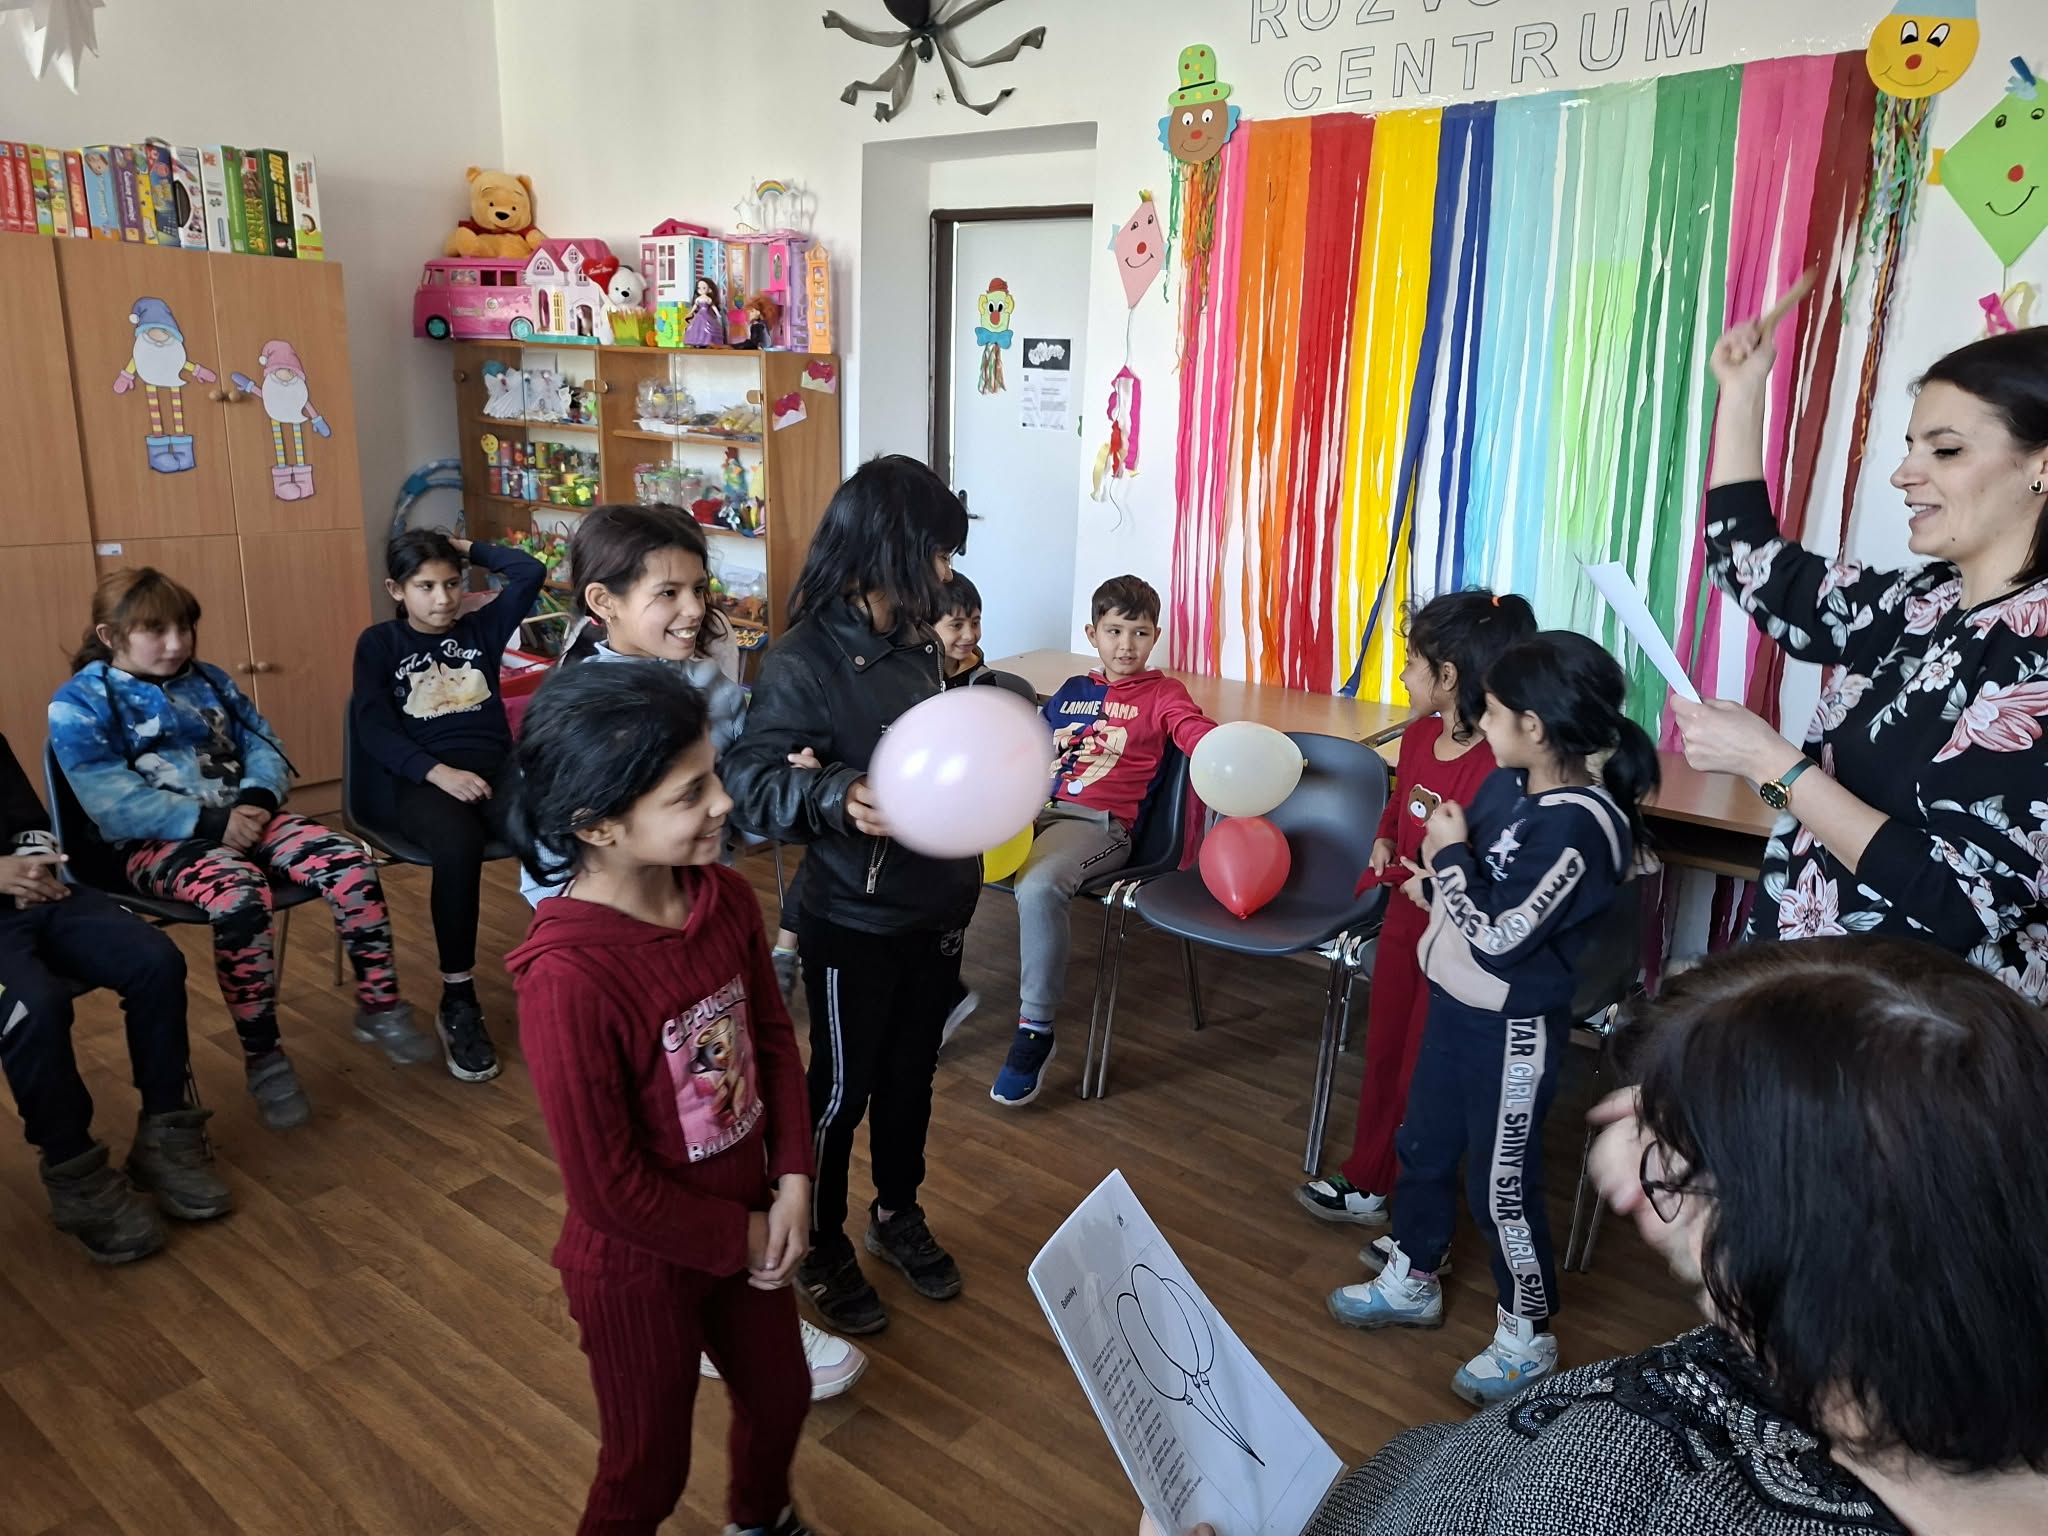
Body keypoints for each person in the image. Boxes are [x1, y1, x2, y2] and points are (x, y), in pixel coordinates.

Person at [1138, 936, 2048, 1535]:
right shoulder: (1901, 1328)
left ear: (1793, 1233)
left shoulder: (1620, 1490)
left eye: (1675, 1152)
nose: (1631, 1157)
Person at [519, 502, 865, 1401]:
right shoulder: (585, 709)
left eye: (697, 589)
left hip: (690, 912)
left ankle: (739, 1295)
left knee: (721, 1106)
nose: (691, 610)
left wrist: (778, 777)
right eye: (666, 593)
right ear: (602, 602)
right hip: (626, 949)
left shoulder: (697, 682)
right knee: (669, 1132)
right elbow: (554, 858)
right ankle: (713, 1292)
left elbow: (740, 778)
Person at [504, 661, 816, 1536]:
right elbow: (608, 1191)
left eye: (712, 775)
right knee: (647, 1470)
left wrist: (794, 1180)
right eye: (689, 794)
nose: (723, 802)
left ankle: (760, 1520)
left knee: (782, 1396)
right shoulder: (567, 980)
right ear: (598, 825)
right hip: (637, 1272)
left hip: (748, 1225)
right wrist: (743, 1236)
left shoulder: (724, 899)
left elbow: (772, 1043)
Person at [1670, 323, 2048, 997]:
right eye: (1910, 446)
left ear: (2041, 466)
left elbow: (1959, 902)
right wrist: (1744, 390)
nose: (1905, 474)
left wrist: (1770, 764)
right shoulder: (1921, 602)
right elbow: (1753, 566)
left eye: (1946, 449)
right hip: (1809, 997)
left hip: (1915, 1033)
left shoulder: (2034, 644)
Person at [1328, 631, 1656, 1407]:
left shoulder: (1582, 825)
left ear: (1533, 726)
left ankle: (1525, 1333)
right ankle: (1413, 1275)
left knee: (1500, 1186)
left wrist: (1447, 862)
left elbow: (1505, 938)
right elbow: (1480, 884)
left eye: (1497, 711)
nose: (1482, 721)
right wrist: (1439, 879)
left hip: (1511, 1027)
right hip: (1455, 1002)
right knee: (1423, 1145)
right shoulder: (1511, 784)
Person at [722, 453, 975, 1337]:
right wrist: (834, 792)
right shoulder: (804, 658)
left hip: (936, 905)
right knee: (841, 1091)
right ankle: (821, 1240)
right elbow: (752, 781)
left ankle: (895, 1211)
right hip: (855, 918)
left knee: (912, 1078)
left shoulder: (921, 645)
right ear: (887, 550)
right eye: (937, 553)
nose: (945, 573)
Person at [50, 568, 430, 1133]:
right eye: (156, 631)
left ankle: (379, 1005)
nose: (176, 644)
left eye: (184, 629)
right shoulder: (79, 703)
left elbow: (263, 743)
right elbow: (111, 801)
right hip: (153, 842)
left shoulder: (209, 679)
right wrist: (212, 823)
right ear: (110, 636)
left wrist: (254, 801)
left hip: (248, 818)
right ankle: (264, 1056)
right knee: (240, 896)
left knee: (349, 863)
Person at [1296, 589, 1536, 1227]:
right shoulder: (1421, 734)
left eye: (1410, 662)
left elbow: (1494, 871)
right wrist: (1383, 836)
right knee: (1384, 1054)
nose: (1403, 676)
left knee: (1424, 1073)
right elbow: (1402, 805)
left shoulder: (1499, 764)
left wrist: (1437, 883)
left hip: (1455, 944)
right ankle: (1371, 1177)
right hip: (1405, 926)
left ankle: (1419, 1218)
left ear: (1447, 677)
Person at [0, 731, 230, 1263]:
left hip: (35, 894)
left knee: (155, 961)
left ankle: (164, 1134)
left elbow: (28, 819)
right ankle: (75, 1174)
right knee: (34, 1007)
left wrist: (33, 867)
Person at [990, 575, 1217, 1107]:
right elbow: (1026, 749)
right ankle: (935, 995)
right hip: (1029, 814)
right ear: (1093, 634)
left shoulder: (1164, 694)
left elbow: (1190, 729)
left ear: (1155, 636)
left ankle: (1034, 1030)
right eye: (1114, 631)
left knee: (1039, 886)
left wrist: (1221, 748)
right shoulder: (1072, 691)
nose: (1126, 645)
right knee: (940, 858)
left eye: (1140, 633)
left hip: (1097, 824)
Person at [351, 528, 545, 1082]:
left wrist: (463, 547)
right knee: (457, 848)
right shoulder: (379, 644)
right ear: (396, 589)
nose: (443, 599)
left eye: (452, 583)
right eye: (426, 586)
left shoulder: (481, 628)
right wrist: (438, 773)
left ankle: (565, 964)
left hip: (496, 774)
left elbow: (529, 571)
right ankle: (458, 997)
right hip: (423, 781)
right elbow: (373, 728)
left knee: (556, 827)